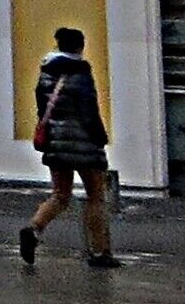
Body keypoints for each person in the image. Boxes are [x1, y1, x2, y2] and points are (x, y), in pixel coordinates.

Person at [18, 25, 118, 271]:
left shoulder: (46, 73)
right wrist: (100, 138)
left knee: (61, 195)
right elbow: (89, 112)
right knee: (96, 196)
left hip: (56, 143)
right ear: (79, 46)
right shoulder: (81, 73)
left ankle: (34, 229)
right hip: (84, 143)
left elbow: (42, 109)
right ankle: (98, 252)